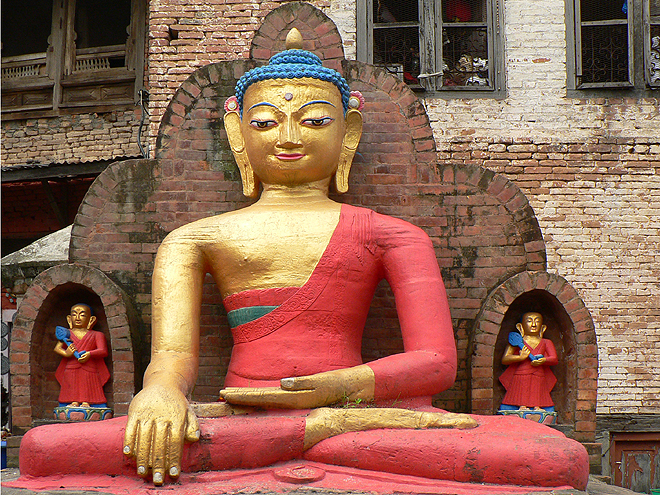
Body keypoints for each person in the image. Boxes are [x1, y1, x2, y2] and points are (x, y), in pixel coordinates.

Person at [18, 29, 588, 491]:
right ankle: (323, 436)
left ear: (349, 133)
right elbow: (171, 359)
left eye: (315, 119)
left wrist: (331, 391)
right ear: (238, 136)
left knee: (555, 460)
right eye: (265, 122)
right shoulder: (193, 240)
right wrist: (161, 395)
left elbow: (436, 363)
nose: (288, 135)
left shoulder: (393, 234)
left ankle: (318, 431)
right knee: (44, 449)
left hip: (355, 407)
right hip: (237, 418)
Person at [499, 312, 558, 411]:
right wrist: (520, 357)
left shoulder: (546, 342)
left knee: (537, 390)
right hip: (521, 374)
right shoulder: (517, 342)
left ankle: (537, 406)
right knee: (522, 389)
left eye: (537, 321)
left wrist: (544, 360)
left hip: (539, 374)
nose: (534, 324)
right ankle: (521, 406)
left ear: (543, 327)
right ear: (520, 327)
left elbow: (554, 359)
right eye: (529, 321)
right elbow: (505, 359)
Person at [53, 303, 109, 407]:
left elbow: (103, 350)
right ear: (69, 319)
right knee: (71, 383)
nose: (78, 318)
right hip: (71, 366)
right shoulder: (67, 334)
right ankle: (73, 401)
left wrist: (89, 354)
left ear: (91, 319)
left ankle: (87, 402)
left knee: (87, 383)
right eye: (74, 315)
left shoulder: (97, 335)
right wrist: (66, 353)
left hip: (89, 366)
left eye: (82, 315)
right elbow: (57, 348)